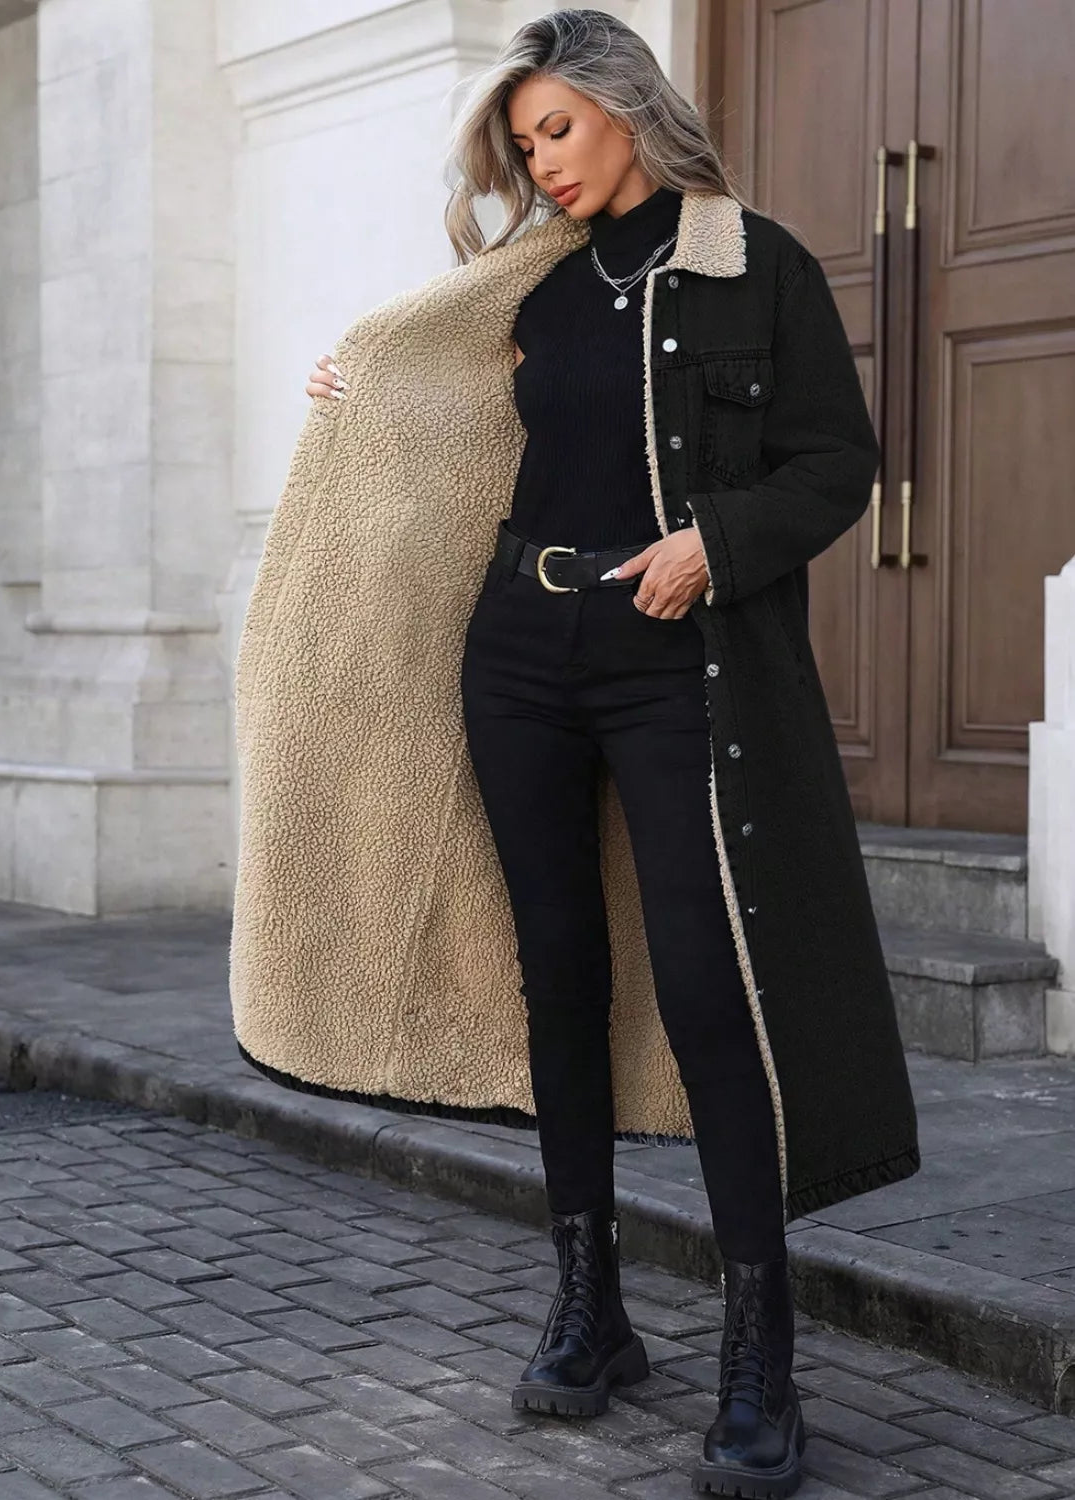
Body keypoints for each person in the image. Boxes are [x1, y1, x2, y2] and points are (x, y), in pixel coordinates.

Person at [237, 11, 920, 1500]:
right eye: (519, 143)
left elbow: (835, 464)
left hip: (679, 660)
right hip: (517, 656)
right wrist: (356, 408)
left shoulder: (757, 268)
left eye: (554, 129)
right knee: (557, 969)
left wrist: (711, 548)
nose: (537, 163)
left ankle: (757, 1351)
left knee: (703, 983)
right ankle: (590, 1307)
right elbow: (452, 435)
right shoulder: (523, 291)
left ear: (625, 108)